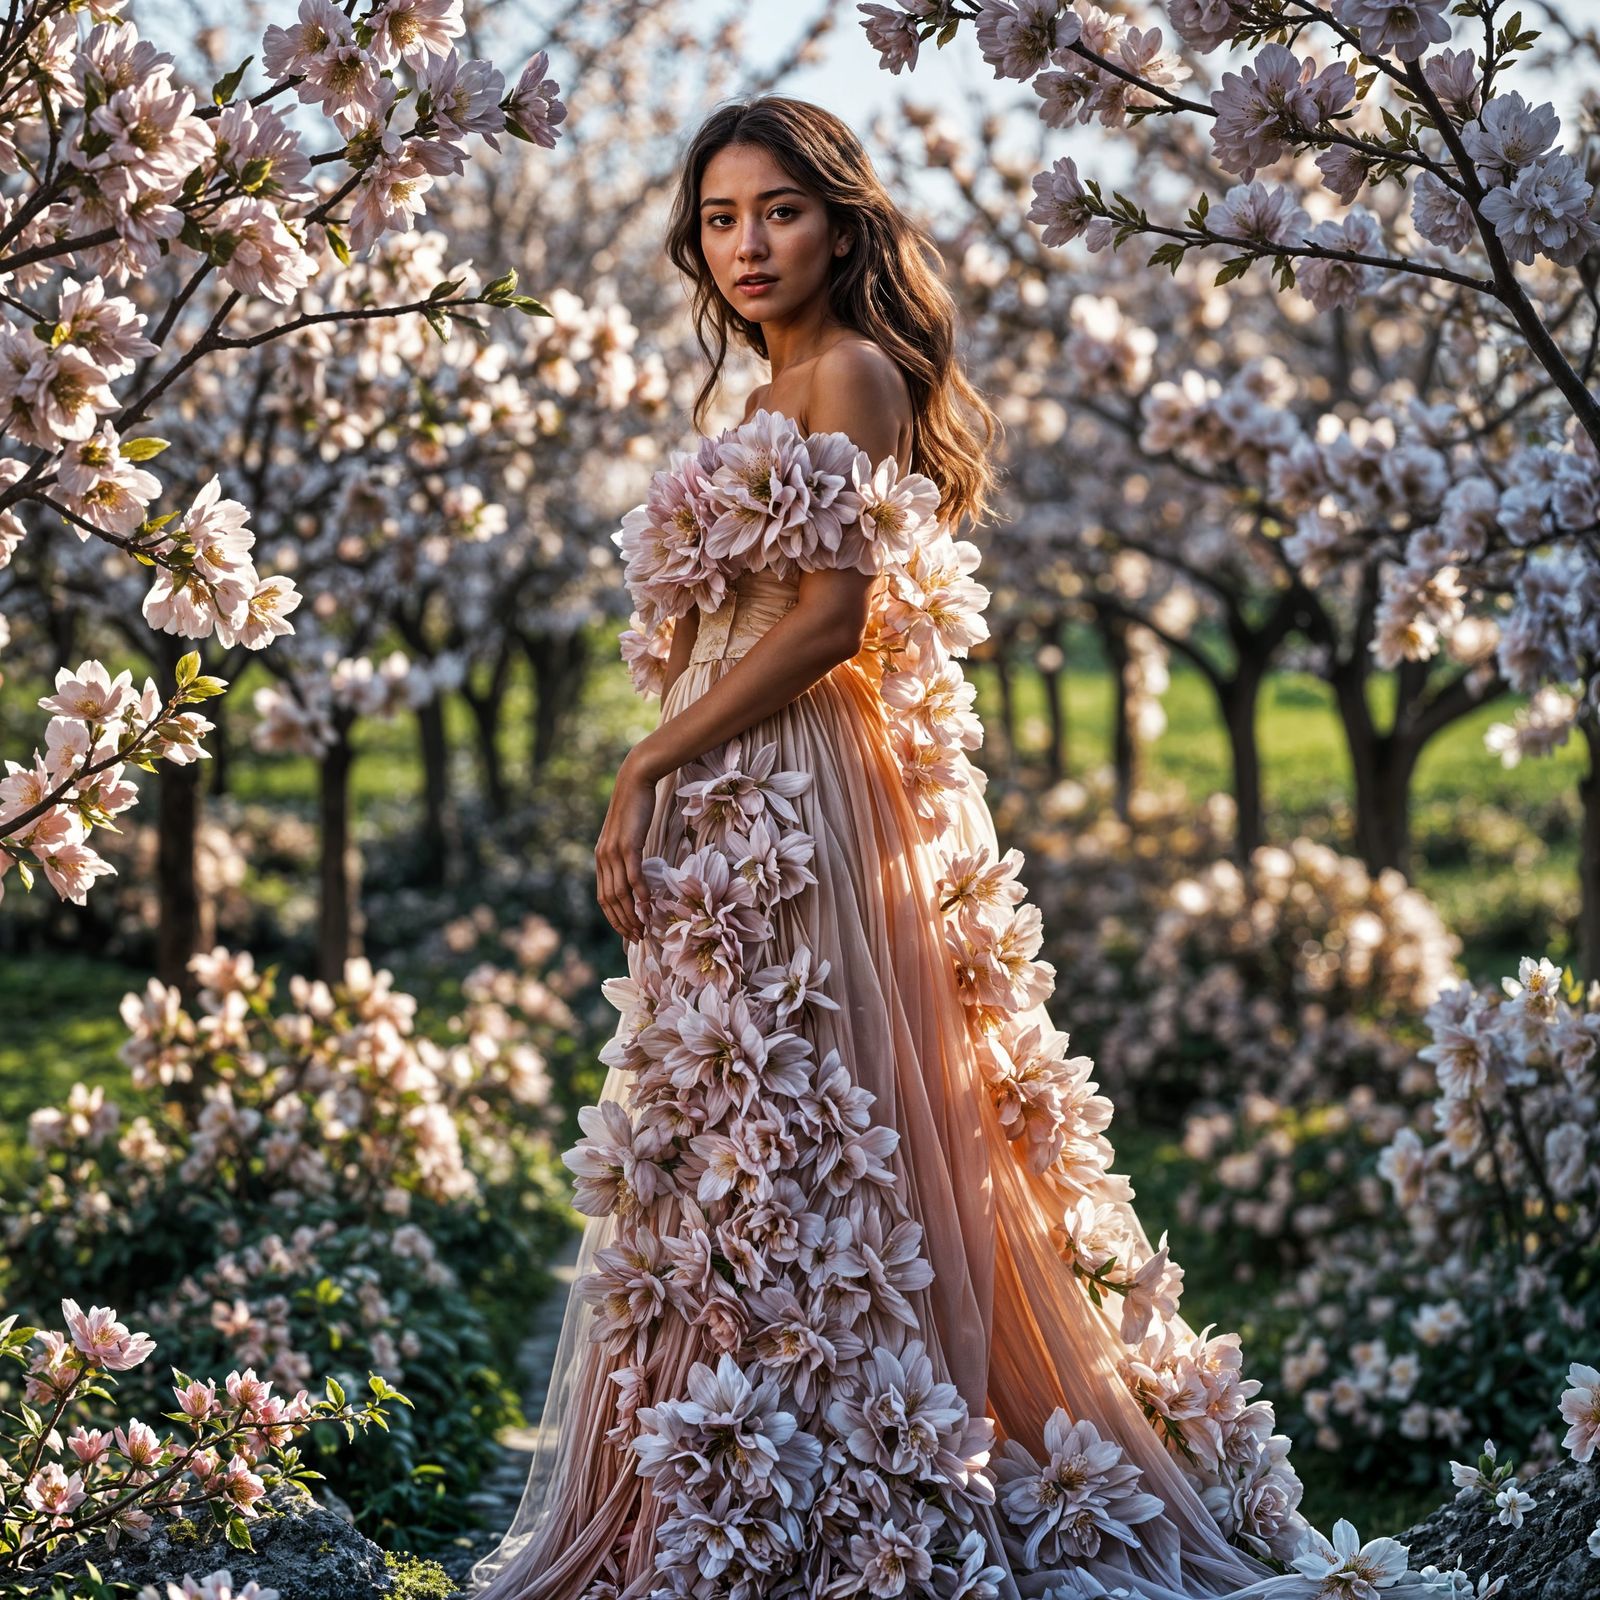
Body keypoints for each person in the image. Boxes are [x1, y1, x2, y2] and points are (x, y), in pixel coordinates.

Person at [469, 95, 1437, 1600]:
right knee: (731, 1124)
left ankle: (861, 1498)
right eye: (720, 218)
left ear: (840, 220)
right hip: (741, 789)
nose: (746, 244)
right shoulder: (767, 386)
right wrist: (670, 767)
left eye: (777, 211)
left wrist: (647, 759)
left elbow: (832, 619)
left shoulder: (849, 369)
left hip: (799, 790)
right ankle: (739, 1473)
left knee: (809, 1120)